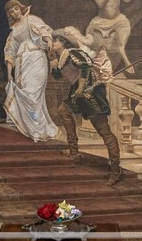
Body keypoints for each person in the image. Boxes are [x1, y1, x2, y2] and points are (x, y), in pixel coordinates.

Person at [50, 29, 121, 186]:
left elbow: (86, 66)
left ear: (63, 42)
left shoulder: (73, 52)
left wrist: (81, 88)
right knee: (63, 111)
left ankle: (115, 170)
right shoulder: (61, 58)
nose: (52, 43)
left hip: (90, 92)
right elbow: (58, 76)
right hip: (76, 91)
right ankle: (74, 151)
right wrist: (53, 64)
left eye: (55, 40)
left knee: (103, 130)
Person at [3, 0, 59, 142]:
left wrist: (48, 40)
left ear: (20, 8)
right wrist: (9, 73)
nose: (14, 13)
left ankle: (38, 131)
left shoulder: (31, 19)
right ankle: (30, 129)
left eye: (16, 9)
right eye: (11, 11)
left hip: (36, 59)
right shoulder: (14, 30)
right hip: (21, 64)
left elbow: (44, 31)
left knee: (33, 94)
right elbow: (10, 52)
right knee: (24, 90)